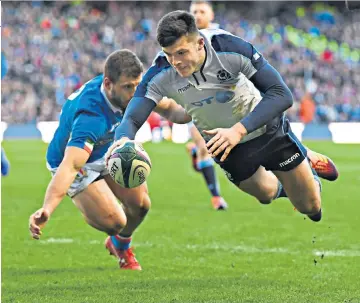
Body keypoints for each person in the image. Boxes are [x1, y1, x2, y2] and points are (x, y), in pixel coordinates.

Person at [107, 11, 339, 223]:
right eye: (169, 55)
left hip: (264, 129)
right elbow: (132, 118)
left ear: (199, 44)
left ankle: (305, 164)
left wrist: (237, 130)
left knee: (311, 208)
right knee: (266, 195)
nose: (175, 61)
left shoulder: (229, 47)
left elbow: (281, 95)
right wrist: (122, 141)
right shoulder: (160, 73)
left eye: (181, 52)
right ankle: (298, 174)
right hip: (223, 146)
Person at [28, 49, 191, 270]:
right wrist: (47, 208)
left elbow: (173, 111)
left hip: (106, 149)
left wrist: (202, 109)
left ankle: (120, 245)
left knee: (141, 206)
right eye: (127, 87)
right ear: (108, 83)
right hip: (76, 162)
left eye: (137, 85)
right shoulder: (91, 115)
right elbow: (71, 165)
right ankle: (110, 227)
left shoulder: (137, 91)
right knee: (116, 222)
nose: (135, 93)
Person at [187, 0, 228, 210]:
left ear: (211, 15)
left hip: (221, 103)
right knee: (205, 147)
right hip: (194, 102)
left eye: (202, 11)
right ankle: (216, 197)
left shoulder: (222, 38)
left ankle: (196, 153)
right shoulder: (183, 41)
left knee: (218, 149)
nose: (197, 15)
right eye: (194, 11)